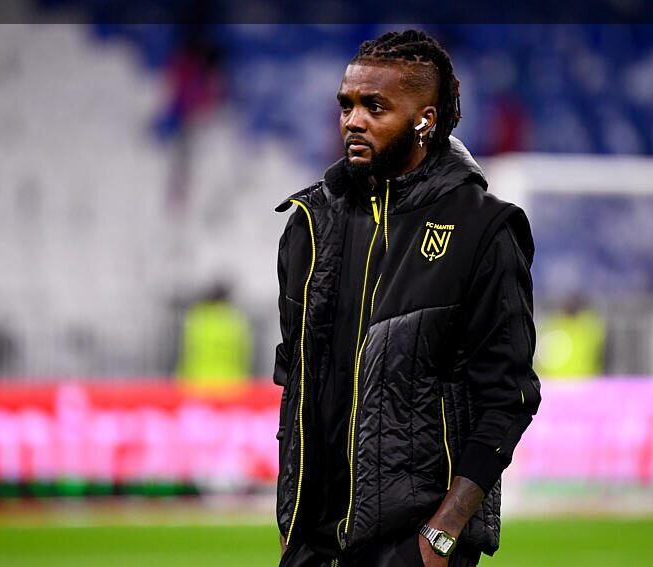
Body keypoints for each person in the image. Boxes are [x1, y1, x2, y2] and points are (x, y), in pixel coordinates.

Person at [273, 29, 540, 567]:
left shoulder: (483, 229)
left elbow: (508, 398)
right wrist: (290, 527)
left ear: (425, 120)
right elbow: (296, 383)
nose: (353, 121)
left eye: (375, 107)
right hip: (312, 546)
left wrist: (442, 533)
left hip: (412, 545)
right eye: (346, 105)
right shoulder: (310, 225)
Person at [177, 281, 252, 394]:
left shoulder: (197, 318)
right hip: (230, 385)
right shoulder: (236, 320)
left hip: (198, 383)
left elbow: (186, 352)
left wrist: (181, 380)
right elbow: (244, 355)